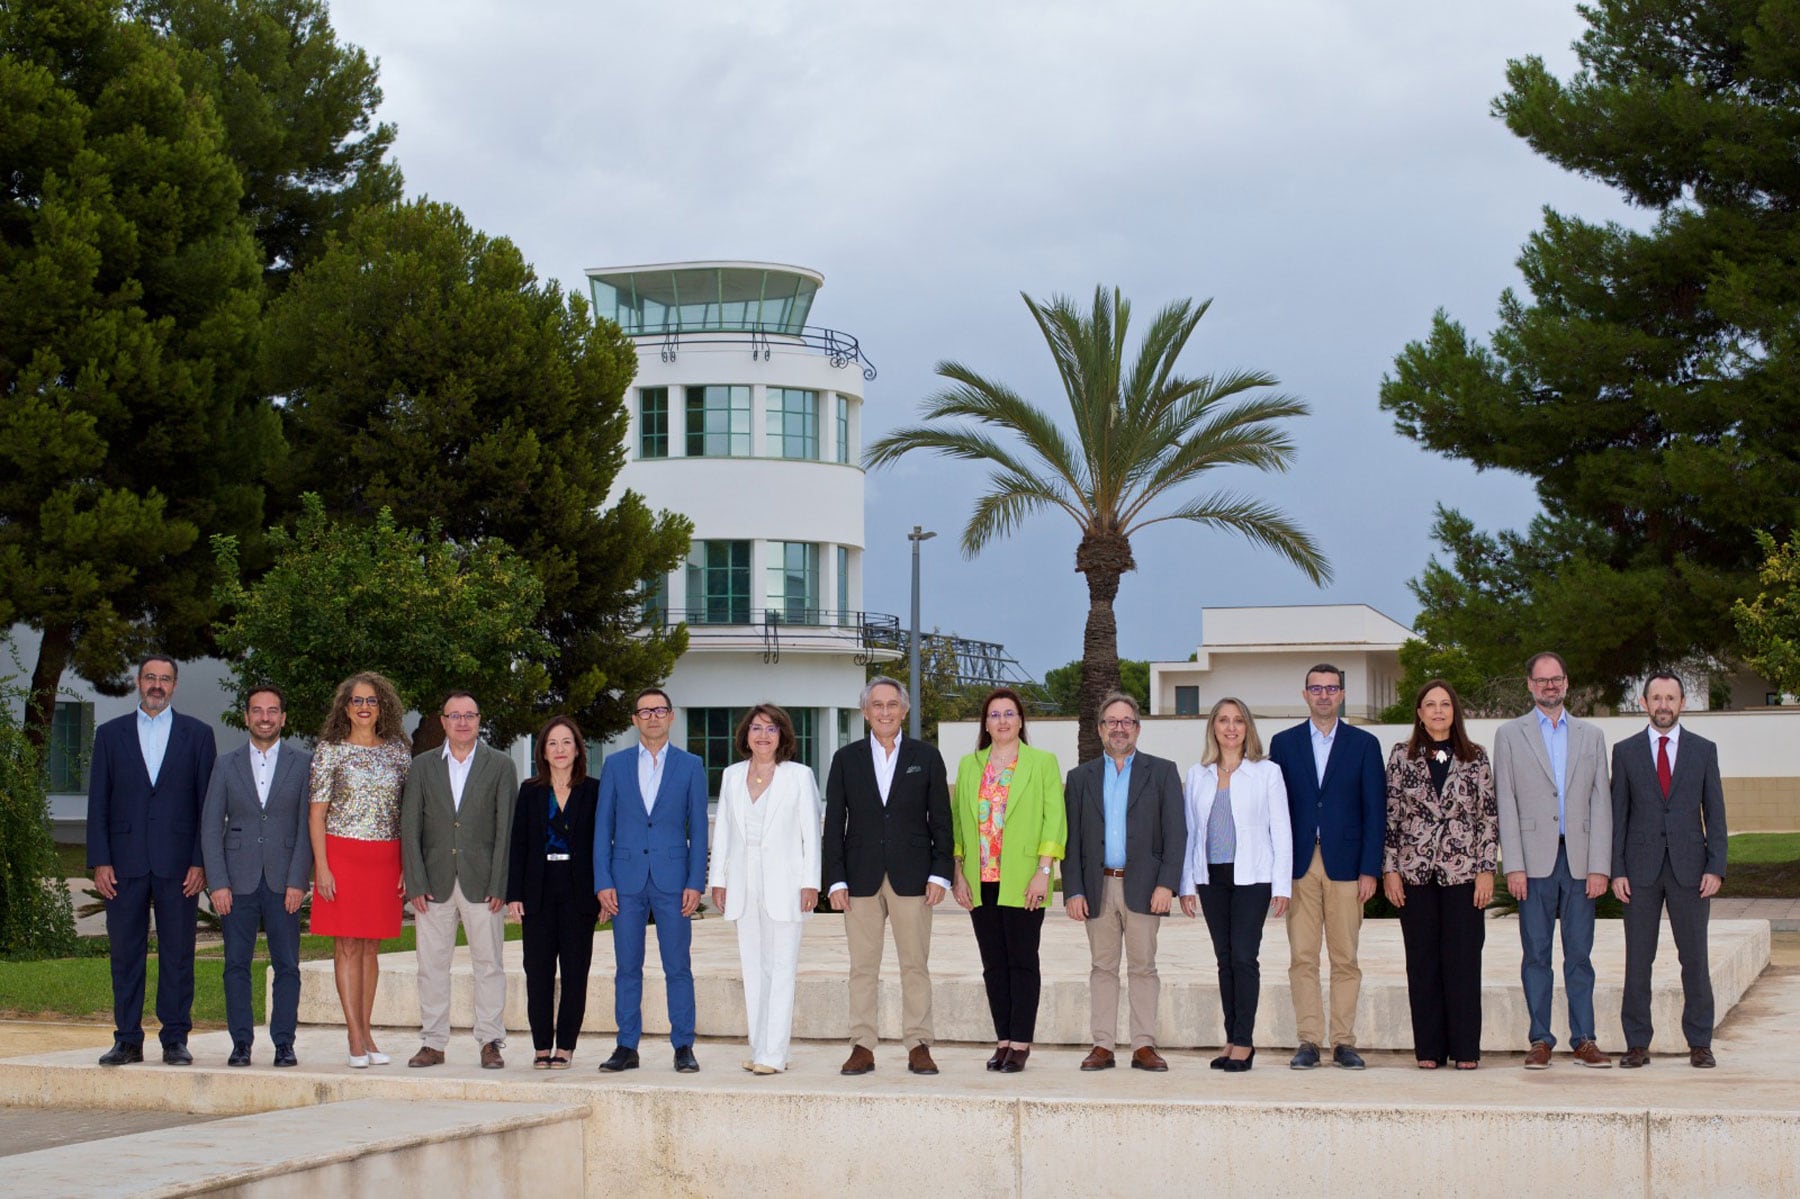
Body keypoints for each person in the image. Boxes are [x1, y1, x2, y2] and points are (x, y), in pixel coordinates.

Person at [88, 654, 218, 1067]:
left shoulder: (198, 735)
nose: (157, 685)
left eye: (165, 679)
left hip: (179, 865)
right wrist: (100, 860)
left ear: (174, 685)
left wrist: (200, 861)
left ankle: (175, 1038)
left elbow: (207, 807)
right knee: (125, 953)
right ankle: (127, 1039)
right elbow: (98, 803)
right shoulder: (110, 735)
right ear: (137, 682)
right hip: (123, 864)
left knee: (178, 953)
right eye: (150, 678)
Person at [822, 675, 954, 1076]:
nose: (884, 712)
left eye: (891, 705)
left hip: (913, 877)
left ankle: (919, 1044)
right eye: (876, 706)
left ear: (904, 709)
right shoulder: (846, 759)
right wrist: (835, 879)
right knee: (862, 967)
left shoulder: (926, 757)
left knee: (915, 965)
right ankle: (862, 1045)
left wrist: (941, 873)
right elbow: (834, 824)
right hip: (859, 877)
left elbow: (942, 821)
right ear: (865, 712)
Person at [1493, 651, 1614, 1069]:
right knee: (1536, 955)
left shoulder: (1592, 736)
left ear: (1567, 682)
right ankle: (1540, 1039)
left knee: (1580, 954)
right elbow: (1505, 802)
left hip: (1579, 862)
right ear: (1529, 684)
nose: (1550, 686)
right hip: (1534, 863)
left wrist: (1600, 864)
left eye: (1557, 679)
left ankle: (1584, 1038)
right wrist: (1514, 865)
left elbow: (1602, 803)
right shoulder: (1510, 735)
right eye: (1542, 680)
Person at [1268, 663, 1384, 1070]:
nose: (1323, 695)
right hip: (1300, 865)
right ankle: (1308, 1040)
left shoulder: (1364, 744)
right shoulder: (1283, 744)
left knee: (1345, 957)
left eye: (1331, 688)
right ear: (1304, 695)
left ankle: (1344, 1042)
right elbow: (1275, 810)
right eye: (1315, 688)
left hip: (1347, 866)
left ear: (1342, 694)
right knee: (1302, 956)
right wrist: (1277, 871)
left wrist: (1371, 868)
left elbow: (1375, 811)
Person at [1063, 692, 1185, 1072]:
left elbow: (1176, 833)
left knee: (1143, 967)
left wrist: (1167, 885)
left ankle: (1143, 1045)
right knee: (1102, 968)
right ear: (1101, 729)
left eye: (1126, 721)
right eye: (1112, 722)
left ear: (1138, 728)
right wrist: (1074, 889)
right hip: (1098, 888)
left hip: (1145, 888)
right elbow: (1071, 840)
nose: (1119, 728)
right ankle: (1102, 1045)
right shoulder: (1080, 778)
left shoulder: (1162, 772)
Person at [1612, 672, 1727, 1069]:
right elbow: (1618, 816)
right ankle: (1637, 1043)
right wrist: (1617, 870)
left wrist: (1716, 866)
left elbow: (1715, 813)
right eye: (1656, 698)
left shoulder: (1703, 750)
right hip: (1639, 872)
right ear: (1644, 703)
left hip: (1691, 871)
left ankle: (1700, 1042)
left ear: (1682, 703)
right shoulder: (1624, 752)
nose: (1663, 705)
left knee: (1694, 959)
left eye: (1671, 698)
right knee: (1637, 960)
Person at [1382, 680, 1497, 1070]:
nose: (1437, 710)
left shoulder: (1476, 757)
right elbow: (1390, 819)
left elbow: (1487, 818)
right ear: (1418, 712)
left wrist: (1486, 870)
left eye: (1444, 704)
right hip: (1414, 876)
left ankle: (1466, 1049)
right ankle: (1429, 1049)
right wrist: (1390, 870)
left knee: (1463, 961)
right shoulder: (1401, 756)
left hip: (1463, 875)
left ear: (1454, 711)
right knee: (1423, 961)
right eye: (1429, 704)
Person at [950, 687, 1067, 1073]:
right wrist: (958, 872)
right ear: (986, 723)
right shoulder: (970, 765)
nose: (1002, 721)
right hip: (980, 879)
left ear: (1020, 721)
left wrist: (1044, 872)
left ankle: (1020, 1042)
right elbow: (959, 825)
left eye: (1009, 714)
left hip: (1024, 879)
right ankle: (1002, 1040)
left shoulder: (1042, 762)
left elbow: (1055, 819)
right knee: (993, 964)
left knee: (1022, 961)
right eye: (995, 714)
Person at [594, 687, 709, 1074]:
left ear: (671, 716)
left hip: (674, 880)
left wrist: (696, 881)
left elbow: (698, 828)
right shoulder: (615, 765)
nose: (653, 717)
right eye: (645, 711)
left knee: (678, 966)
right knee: (627, 967)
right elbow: (602, 828)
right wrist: (602, 880)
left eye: (660, 710)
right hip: (625, 881)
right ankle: (626, 1046)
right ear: (634, 720)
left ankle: (683, 1046)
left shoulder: (691, 765)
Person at [401, 691, 518, 1069]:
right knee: (431, 966)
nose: (462, 722)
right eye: (455, 715)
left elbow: (506, 830)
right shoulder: (421, 767)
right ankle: (433, 1043)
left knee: (489, 964)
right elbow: (410, 827)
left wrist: (500, 883)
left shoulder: (500, 765)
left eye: (470, 715)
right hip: (433, 885)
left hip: (484, 885)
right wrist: (415, 882)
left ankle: (490, 1042)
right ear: (443, 720)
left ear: (479, 720)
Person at [200, 686, 313, 1068]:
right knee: (236, 964)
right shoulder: (226, 764)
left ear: (283, 717)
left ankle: (284, 1042)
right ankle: (241, 1043)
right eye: (257, 711)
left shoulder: (303, 764)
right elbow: (210, 825)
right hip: (237, 881)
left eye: (273, 711)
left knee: (287, 965)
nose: (265, 717)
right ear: (246, 717)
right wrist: (217, 882)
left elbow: (306, 827)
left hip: (284, 882)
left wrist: (299, 880)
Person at [707, 704, 822, 1074]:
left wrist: (810, 881)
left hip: (786, 883)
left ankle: (774, 1054)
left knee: (781, 968)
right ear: (746, 734)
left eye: (771, 729)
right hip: (744, 881)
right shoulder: (731, 775)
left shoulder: (799, 776)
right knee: (753, 968)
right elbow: (723, 830)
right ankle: (760, 1048)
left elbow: (810, 832)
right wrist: (719, 880)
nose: (763, 735)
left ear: (782, 736)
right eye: (756, 728)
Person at [1179, 697, 1292, 1073]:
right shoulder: (1198, 774)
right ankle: (1231, 1038)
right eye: (1224, 720)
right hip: (1211, 878)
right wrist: (1187, 885)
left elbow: (1282, 830)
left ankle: (1245, 1041)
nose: (1231, 728)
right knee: (1224, 959)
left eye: (1238, 721)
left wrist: (1282, 885)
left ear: (1248, 728)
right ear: (1213, 727)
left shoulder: (1266, 772)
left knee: (1244, 957)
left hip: (1253, 877)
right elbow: (1191, 833)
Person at [308, 671, 412, 1068]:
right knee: (347, 945)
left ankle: (367, 1032)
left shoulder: (399, 751)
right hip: (341, 857)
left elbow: (406, 814)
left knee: (371, 947)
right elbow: (316, 815)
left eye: (372, 701)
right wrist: (323, 867)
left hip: (385, 859)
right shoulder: (329, 751)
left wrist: (405, 864)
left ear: (382, 706)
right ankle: (353, 1035)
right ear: (346, 708)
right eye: (357, 701)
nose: (365, 707)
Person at [506, 715, 600, 1069]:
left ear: (578, 749)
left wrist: (604, 891)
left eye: (566, 742)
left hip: (580, 893)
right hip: (538, 891)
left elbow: (603, 844)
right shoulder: (530, 791)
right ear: (542, 752)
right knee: (538, 971)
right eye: (552, 743)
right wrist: (514, 894)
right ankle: (542, 1045)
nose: (559, 750)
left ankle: (566, 1047)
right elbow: (519, 845)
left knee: (576, 972)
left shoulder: (594, 790)